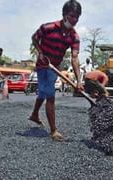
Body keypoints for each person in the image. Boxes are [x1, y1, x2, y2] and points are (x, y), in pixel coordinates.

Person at [28, 0, 83, 141]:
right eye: (72, 16)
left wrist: (78, 81)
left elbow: (75, 58)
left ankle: (34, 114)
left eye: (77, 17)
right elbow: (34, 38)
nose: (75, 20)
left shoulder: (74, 37)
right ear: (64, 14)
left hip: (55, 67)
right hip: (42, 64)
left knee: (44, 91)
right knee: (50, 94)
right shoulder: (48, 27)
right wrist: (40, 51)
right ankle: (53, 131)